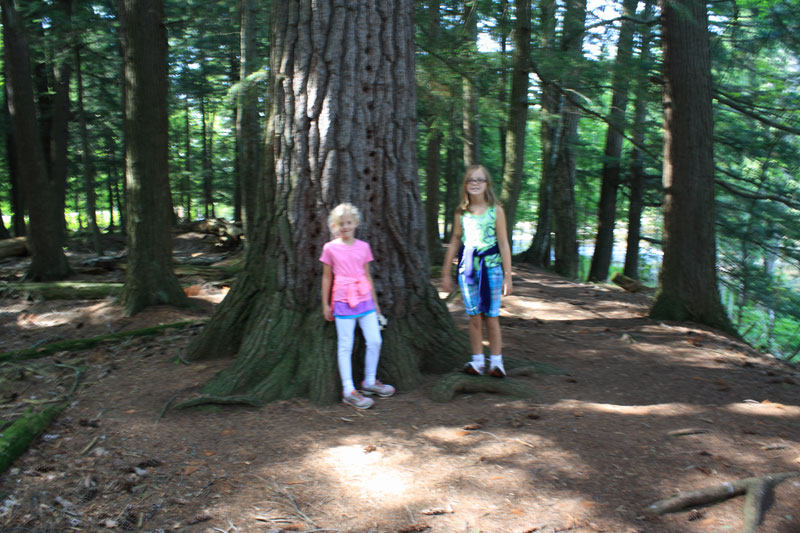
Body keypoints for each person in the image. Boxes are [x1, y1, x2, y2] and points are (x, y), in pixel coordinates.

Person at [320, 203, 395, 409]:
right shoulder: (330, 248)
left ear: (356, 224)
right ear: (335, 225)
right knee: (345, 345)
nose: (345, 227)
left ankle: (369, 381)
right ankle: (348, 390)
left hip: (364, 299)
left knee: (375, 340)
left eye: (349, 223)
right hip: (342, 301)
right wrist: (326, 304)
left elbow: (368, 275)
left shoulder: (364, 247)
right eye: (341, 223)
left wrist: (376, 305)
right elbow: (327, 278)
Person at [441, 164, 513, 377]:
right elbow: (455, 241)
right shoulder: (461, 212)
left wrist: (508, 276)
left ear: (487, 184)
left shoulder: (496, 210)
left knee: (491, 316)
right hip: (468, 270)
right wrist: (446, 272)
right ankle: (478, 361)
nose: (475, 183)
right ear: (465, 184)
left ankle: (497, 362)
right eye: (471, 180)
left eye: (479, 180)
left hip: (492, 269)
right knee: (474, 316)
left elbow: (503, 242)